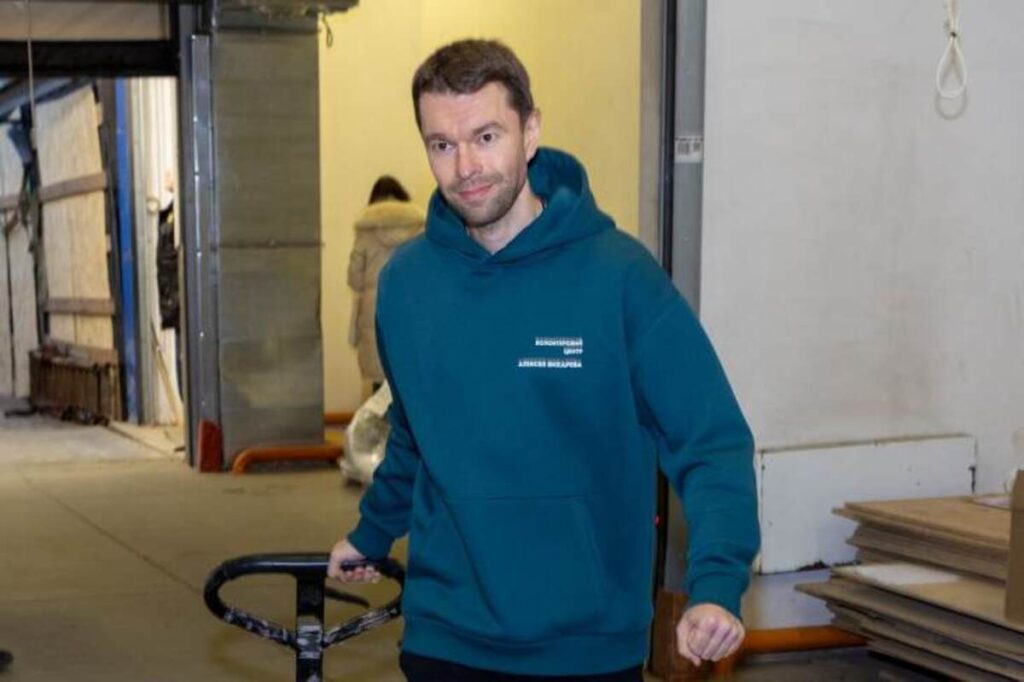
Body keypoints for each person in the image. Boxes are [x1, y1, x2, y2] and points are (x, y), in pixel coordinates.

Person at [328, 39, 759, 681]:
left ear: (530, 131)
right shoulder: (407, 285)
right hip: (444, 635)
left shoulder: (620, 276)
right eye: (442, 145)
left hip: (585, 646)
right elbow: (415, 433)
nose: (465, 167)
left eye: (486, 137)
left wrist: (716, 584)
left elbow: (711, 442)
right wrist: (371, 532)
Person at [347, 176, 424, 390]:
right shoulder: (420, 227)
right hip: (411, 308)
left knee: (379, 380)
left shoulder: (365, 231)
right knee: (407, 381)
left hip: (374, 310)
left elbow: (354, 279)